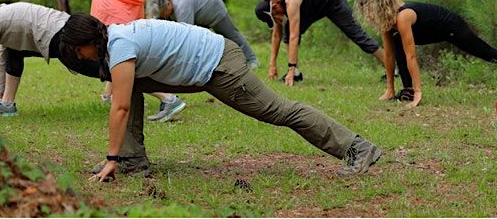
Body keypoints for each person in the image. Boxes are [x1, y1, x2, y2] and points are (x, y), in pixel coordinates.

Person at [58, 14, 382, 181]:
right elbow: (126, 93)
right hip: (206, 62)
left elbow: (121, 107)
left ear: (87, 41)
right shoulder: (117, 37)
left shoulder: (121, 46)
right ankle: (133, 160)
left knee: (279, 111)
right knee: (133, 85)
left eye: (78, 51)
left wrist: (110, 158)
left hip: (219, 65)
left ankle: (357, 148)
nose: (82, 57)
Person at [355, 0, 497, 107]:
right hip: (429, 31)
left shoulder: (403, 16)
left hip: (450, 27)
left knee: (487, 53)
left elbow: (411, 56)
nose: (368, 16)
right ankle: (406, 90)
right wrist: (390, 89)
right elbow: (389, 55)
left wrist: (420, 92)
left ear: (381, 7)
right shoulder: (387, 20)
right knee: (395, 44)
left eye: (370, 11)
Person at [0, 0, 103, 115]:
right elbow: (2, 61)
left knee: (90, 66)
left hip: (55, 32)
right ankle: (6, 104)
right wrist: (0, 96)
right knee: (14, 52)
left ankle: (119, 79)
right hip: (54, 26)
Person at [255, 0, 385, 86]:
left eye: (275, 16)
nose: (278, 19)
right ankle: (296, 75)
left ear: (275, 7)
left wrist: (290, 67)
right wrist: (272, 65)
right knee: (287, 33)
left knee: (357, 35)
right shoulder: (276, 3)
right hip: (313, 8)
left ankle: (392, 66)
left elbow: (295, 36)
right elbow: (276, 35)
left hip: (332, 1)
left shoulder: (291, 0)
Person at [146, 0, 259, 68]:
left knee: (231, 35)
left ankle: (252, 60)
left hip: (213, 7)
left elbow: (186, 36)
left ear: (168, 4)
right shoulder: (167, 0)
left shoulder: (182, 6)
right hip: (198, 13)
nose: (162, 17)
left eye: (162, 13)